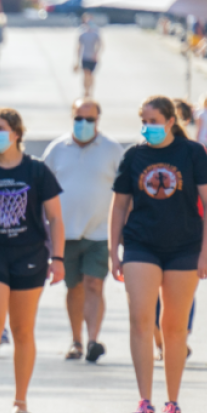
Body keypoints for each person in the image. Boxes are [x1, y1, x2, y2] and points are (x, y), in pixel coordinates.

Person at [111, 96, 207, 413]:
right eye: (144, 120)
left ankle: (173, 402)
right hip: (142, 245)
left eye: (155, 120)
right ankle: (144, 402)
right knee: (141, 320)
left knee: (174, 327)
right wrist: (114, 250)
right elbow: (118, 206)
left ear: (171, 121)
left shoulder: (193, 153)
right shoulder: (134, 155)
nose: (149, 127)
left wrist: (205, 252)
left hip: (184, 248)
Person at [0, 107, 65, 413]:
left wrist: (58, 258)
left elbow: (54, 217)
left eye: (0, 127)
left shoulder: (36, 171)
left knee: (23, 330)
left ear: (16, 133)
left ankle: (20, 399)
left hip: (29, 256)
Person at [43, 98, 125, 363]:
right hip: (65, 234)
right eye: (79, 118)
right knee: (74, 287)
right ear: (72, 118)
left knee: (94, 284)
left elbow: (126, 192)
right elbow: (42, 187)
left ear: (98, 120)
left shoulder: (112, 150)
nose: (84, 124)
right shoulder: (57, 149)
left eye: (90, 119)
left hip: (100, 232)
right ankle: (76, 340)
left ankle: (92, 340)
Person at [75, 13, 102, 98]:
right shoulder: (81, 31)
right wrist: (77, 60)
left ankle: (91, 91)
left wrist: (96, 54)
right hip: (85, 56)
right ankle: (85, 91)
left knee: (91, 75)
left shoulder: (96, 31)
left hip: (93, 57)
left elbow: (99, 44)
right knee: (86, 74)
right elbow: (79, 46)